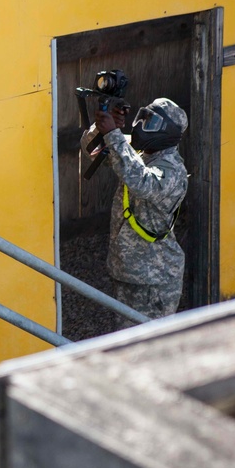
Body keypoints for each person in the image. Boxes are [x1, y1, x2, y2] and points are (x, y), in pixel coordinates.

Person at [87, 97, 189, 330]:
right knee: (128, 343)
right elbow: (92, 151)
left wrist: (113, 134)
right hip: (127, 270)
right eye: (143, 119)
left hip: (155, 279)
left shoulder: (172, 171)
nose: (142, 126)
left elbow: (142, 181)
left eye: (150, 123)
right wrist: (103, 125)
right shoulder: (141, 154)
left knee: (151, 350)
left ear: (167, 133)